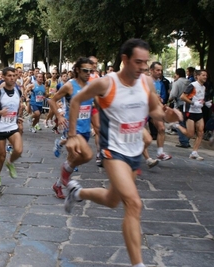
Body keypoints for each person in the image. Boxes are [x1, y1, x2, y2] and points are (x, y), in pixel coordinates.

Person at [64, 39, 182, 267]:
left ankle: (77, 193)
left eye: (145, 63)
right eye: (138, 62)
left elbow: (156, 111)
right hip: (113, 151)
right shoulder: (106, 84)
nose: (143, 67)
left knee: (112, 199)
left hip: (134, 152)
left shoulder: (146, 82)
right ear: (125, 59)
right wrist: (72, 135)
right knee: (134, 204)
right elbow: (77, 100)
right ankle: (138, 264)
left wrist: (169, 117)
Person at [49, 57, 94, 199]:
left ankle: (58, 185)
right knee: (86, 155)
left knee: (71, 160)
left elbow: (93, 107)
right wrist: (60, 116)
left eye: (90, 71)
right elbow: (52, 100)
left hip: (85, 128)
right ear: (77, 70)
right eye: (85, 70)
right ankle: (67, 184)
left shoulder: (91, 86)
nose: (88, 73)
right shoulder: (70, 85)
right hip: (73, 128)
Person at [0, 67, 23, 187]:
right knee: (1, 157)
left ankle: (10, 162)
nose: (12, 78)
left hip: (12, 126)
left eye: (14, 75)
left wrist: (18, 117)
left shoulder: (18, 91)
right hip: (0, 128)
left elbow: (18, 106)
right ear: (4, 77)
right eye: (9, 75)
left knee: (18, 150)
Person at [173, 69, 209, 160]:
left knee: (201, 132)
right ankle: (176, 125)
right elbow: (182, 97)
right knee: (190, 134)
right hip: (190, 111)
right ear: (197, 76)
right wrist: (193, 103)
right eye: (203, 75)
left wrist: (205, 103)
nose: (205, 77)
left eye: (206, 75)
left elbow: (199, 99)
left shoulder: (204, 87)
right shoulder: (192, 85)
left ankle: (194, 152)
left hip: (199, 112)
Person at [168, 68, 191, 148]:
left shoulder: (177, 83)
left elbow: (173, 95)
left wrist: (169, 100)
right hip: (189, 105)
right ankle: (187, 140)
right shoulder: (189, 82)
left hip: (179, 104)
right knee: (187, 123)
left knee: (180, 123)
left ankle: (183, 141)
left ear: (177, 74)